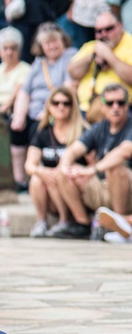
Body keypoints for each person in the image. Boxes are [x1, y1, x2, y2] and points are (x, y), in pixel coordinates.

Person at [53, 83, 132, 239]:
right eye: (109, 103)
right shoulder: (99, 127)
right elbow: (73, 150)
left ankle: (119, 224)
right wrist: (64, 167)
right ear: (103, 107)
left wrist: (92, 169)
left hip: (127, 188)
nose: (115, 107)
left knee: (115, 168)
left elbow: (125, 151)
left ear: (127, 106)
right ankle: (83, 224)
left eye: (120, 103)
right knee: (67, 172)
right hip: (104, 187)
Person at [25, 87, 86, 238]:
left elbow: (92, 162)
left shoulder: (82, 131)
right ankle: (42, 221)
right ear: (49, 106)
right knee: (37, 178)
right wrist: (41, 171)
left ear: (73, 107)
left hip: (73, 186)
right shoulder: (43, 131)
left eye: (66, 103)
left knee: (58, 174)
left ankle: (65, 220)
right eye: (56, 102)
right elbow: (29, 165)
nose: (61, 107)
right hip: (51, 190)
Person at [11, 23, 77, 138]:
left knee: (38, 130)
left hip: (55, 110)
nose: (52, 46)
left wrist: (47, 112)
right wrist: (19, 117)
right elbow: (25, 91)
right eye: (47, 43)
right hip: (33, 112)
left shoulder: (70, 56)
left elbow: (68, 87)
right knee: (16, 132)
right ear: (41, 46)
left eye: (55, 41)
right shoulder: (38, 62)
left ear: (63, 40)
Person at [67, 12, 132, 120]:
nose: (103, 34)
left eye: (109, 29)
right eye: (99, 31)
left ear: (120, 26)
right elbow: (72, 72)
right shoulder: (92, 46)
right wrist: (92, 56)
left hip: (120, 110)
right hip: (87, 110)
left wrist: (109, 56)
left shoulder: (129, 44)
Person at [0, 27, 31, 190]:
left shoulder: (25, 69)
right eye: (5, 48)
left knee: (16, 127)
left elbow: (19, 90)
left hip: (13, 110)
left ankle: (18, 178)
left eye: (13, 48)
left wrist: (3, 108)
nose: (9, 52)